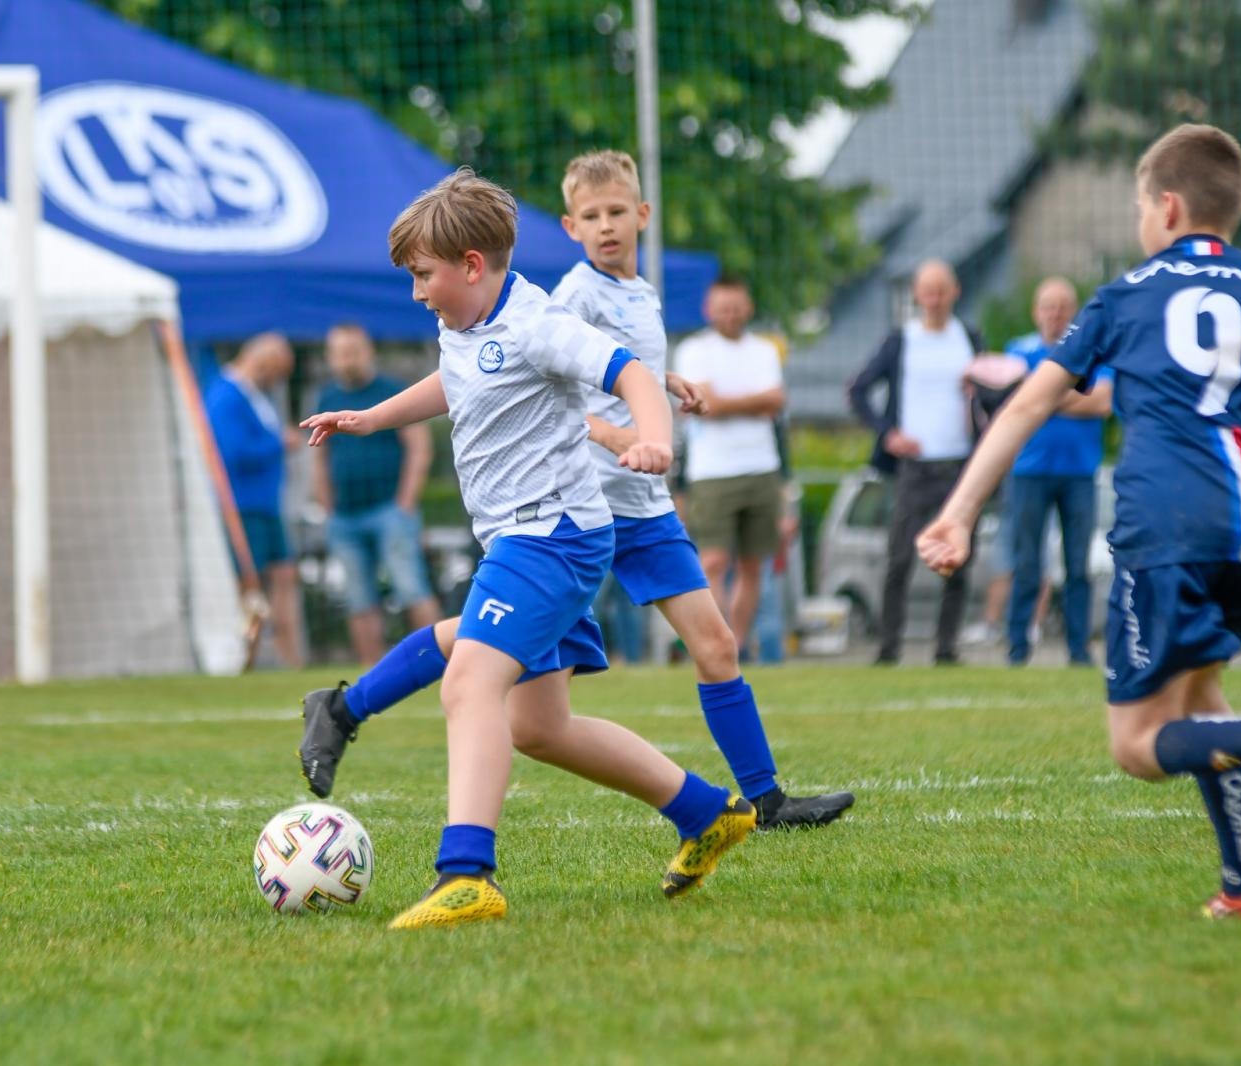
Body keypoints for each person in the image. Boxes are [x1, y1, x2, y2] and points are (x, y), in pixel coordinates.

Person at [296, 149, 852, 833]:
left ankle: (758, 804)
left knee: (705, 647)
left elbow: (609, 368)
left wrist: (661, 386)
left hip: (628, 505)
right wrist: (625, 436)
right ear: (570, 227)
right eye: (591, 216)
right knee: (503, 671)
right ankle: (352, 715)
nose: (606, 226)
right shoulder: (562, 299)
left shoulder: (638, 295)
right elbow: (533, 380)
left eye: (617, 212)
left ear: (642, 215)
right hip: (579, 501)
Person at [918, 124, 1241, 921]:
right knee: (1202, 697)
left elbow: (1027, 404)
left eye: (1138, 206)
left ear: (1166, 207)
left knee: (1136, 745)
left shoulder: (1128, 294)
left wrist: (957, 513)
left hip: (1166, 523)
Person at [848, 260, 985, 665]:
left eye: (942, 291)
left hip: (960, 465)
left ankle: (946, 647)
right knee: (900, 559)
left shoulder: (969, 339)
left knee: (957, 558)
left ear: (955, 292)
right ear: (917, 295)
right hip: (914, 466)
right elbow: (858, 390)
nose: (935, 299)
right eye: (928, 291)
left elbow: (990, 394)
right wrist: (887, 434)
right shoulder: (901, 340)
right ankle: (889, 646)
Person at [312, 323, 441, 665]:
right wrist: (326, 505)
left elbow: (418, 447)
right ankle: (374, 673)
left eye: (353, 352)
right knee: (358, 599)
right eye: (341, 353)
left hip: (389, 509)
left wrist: (405, 502)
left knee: (410, 587)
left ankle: (436, 661)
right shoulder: (326, 398)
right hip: (344, 514)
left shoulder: (392, 391)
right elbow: (319, 457)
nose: (348, 360)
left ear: (368, 351)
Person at [672, 277, 787, 653]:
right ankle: (715, 642)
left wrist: (725, 401)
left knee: (754, 566)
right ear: (709, 310)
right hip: (712, 473)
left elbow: (776, 401)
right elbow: (707, 406)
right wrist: (753, 402)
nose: (731, 315)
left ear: (748, 308)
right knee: (714, 561)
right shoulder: (694, 350)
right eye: (723, 308)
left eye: (736, 307)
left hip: (762, 469)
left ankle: (735, 645)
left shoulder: (765, 350)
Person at [1004, 277, 1114, 666]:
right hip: (1029, 472)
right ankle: (1018, 646)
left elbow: (1102, 402)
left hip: (1079, 473)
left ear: (1074, 312)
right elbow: (1013, 398)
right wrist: (1069, 397)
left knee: (1077, 566)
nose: (1056, 314)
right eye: (1049, 307)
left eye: (1063, 307)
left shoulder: (1093, 351)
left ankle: (1078, 648)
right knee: (1026, 563)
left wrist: (1043, 396)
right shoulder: (1018, 351)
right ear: (1037, 312)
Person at [205, 332, 304, 668]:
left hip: (266, 506)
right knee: (248, 586)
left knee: (284, 576)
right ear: (264, 363)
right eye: (277, 372)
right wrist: (279, 443)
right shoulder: (226, 396)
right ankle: (243, 659)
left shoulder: (253, 395)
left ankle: (290, 659)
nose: (277, 381)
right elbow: (232, 453)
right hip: (242, 508)